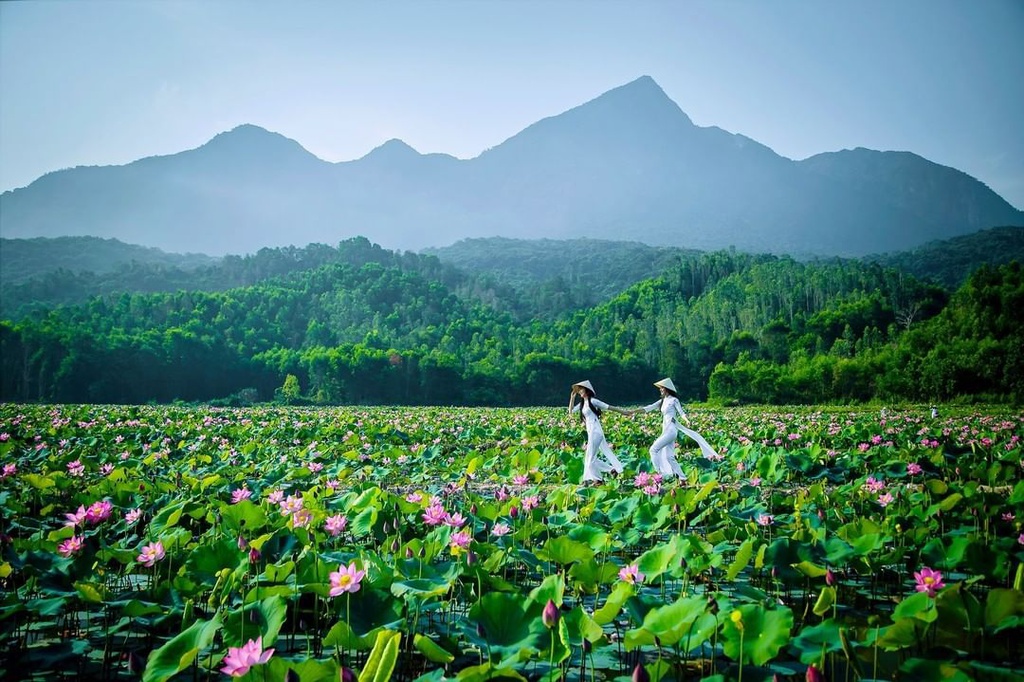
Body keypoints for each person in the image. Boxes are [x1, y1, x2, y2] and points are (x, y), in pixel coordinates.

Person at [633, 378, 717, 478]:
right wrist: (633, 411)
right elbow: (647, 408)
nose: (660, 390)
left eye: (662, 388)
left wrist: (687, 420)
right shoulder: (662, 401)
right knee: (669, 457)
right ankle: (682, 477)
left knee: (653, 450)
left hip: (671, 429)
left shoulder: (674, 400)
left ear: (667, 389)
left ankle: (659, 474)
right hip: (665, 429)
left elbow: (681, 413)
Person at [568, 380, 628, 484]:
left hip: (596, 431)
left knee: (589, 458)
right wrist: (572, 398)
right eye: (579, 390)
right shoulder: (583, 404)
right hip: (590, 432)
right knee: (590, 458)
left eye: (581, 389)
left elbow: (609, 407)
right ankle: (611, 470)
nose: (579, 391)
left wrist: (624, 412)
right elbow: (570, 411)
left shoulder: (593, 401)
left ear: (587, 390)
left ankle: (597, 480)